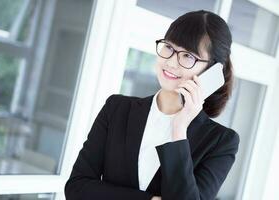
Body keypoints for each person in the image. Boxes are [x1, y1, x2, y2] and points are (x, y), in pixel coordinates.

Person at [65, 10, 240, 200]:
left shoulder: (220, 142)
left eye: (188, 56)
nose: (172, 62)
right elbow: (76, 187)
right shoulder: (117, 109)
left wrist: (179, 130)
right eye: (169, 48)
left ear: (213, 71)